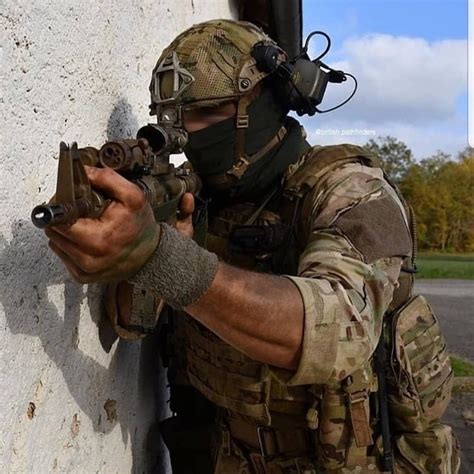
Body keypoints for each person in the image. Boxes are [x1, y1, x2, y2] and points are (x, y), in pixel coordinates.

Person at [45, 19, 459, 473]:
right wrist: (144, 240)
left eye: (206, 112)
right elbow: (129, 324)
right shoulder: (201, 199)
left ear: (264, 103)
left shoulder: (349, 189)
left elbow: (341, 331)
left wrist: (159, 256)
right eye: (174, 118)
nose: (187, 132)